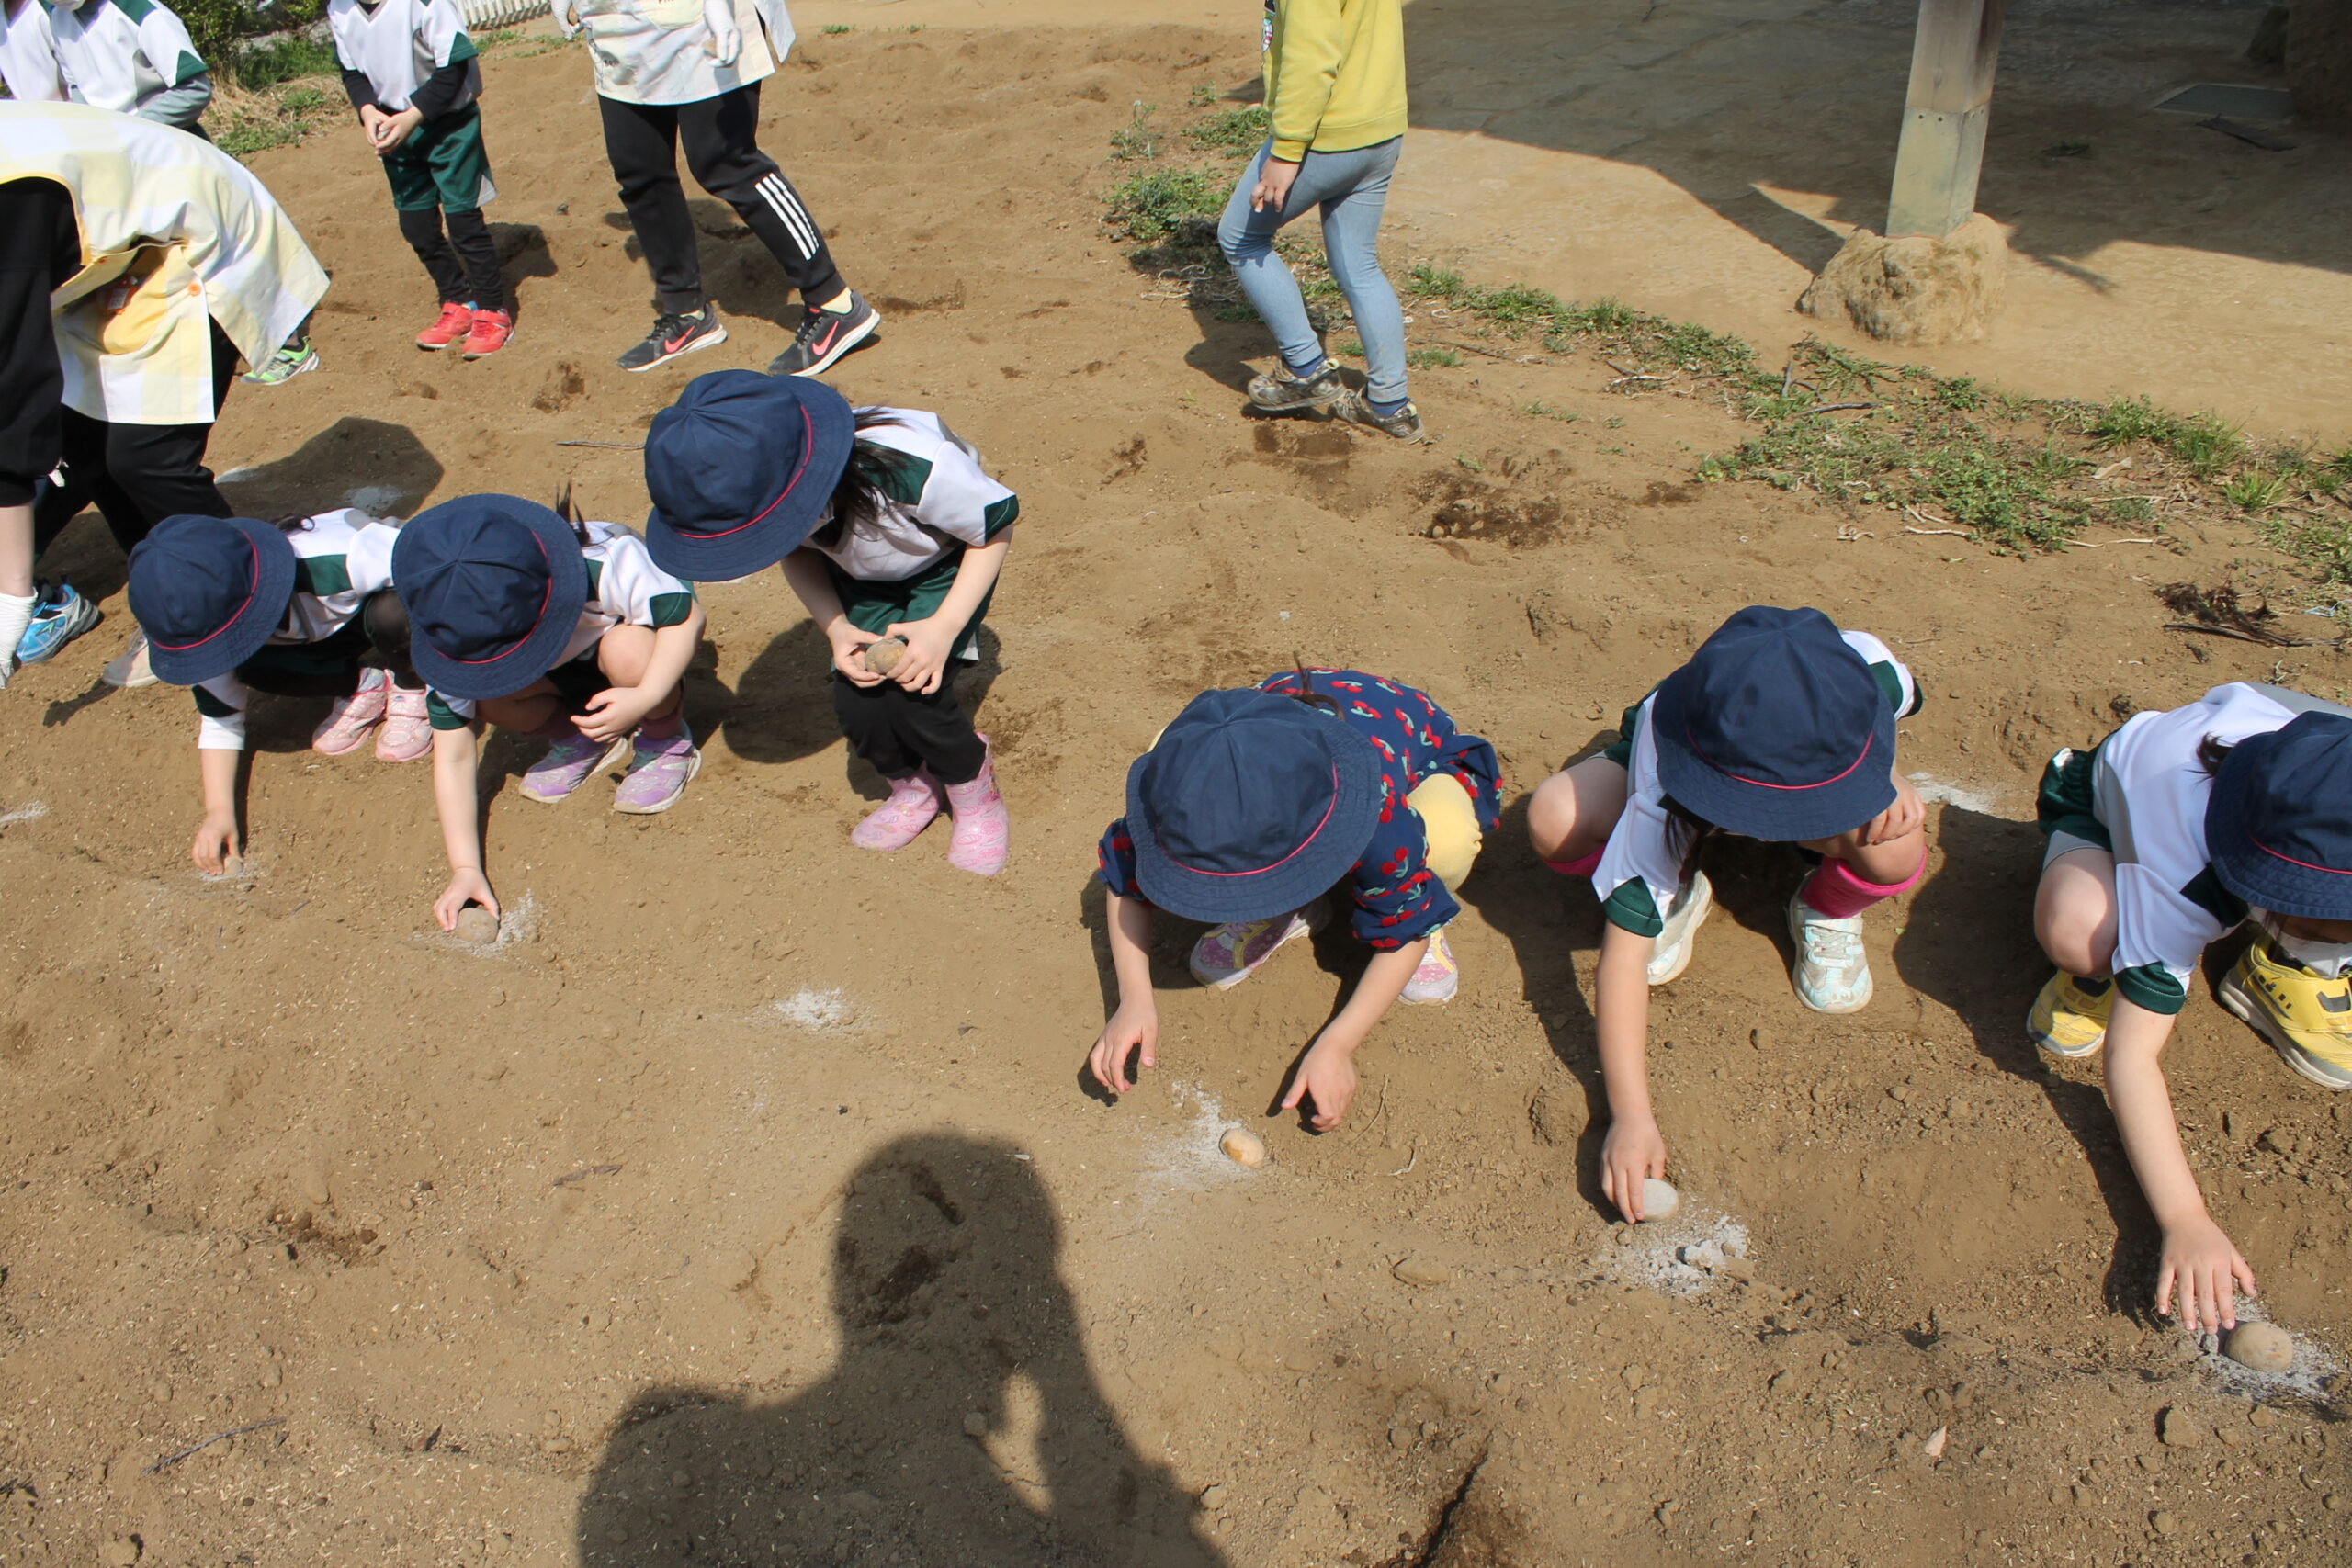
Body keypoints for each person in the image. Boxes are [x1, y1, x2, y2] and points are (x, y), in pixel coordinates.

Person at [1525, 606, 1928, 1223]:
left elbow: (1900, 710)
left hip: (1779, 768)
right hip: (1691, 771)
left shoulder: (1866, 675)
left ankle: (1825, 905)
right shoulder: (1664, 780)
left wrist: (1885, 779)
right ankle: (1675, 886)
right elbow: (1622, 962)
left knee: (1896, 843)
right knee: (1555, 818)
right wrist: (1630, 1115)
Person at [2028, 685, 2352, 1333]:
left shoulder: (2325, 752)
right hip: (2107, 812)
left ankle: (2284, 960)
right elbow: (2132, 1057)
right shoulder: (2181, 879)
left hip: (2251, 814)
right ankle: (2104, 974)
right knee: (2082, 933)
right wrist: (2185, 1218)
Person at [0, 102, 327, 687]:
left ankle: (267, 609)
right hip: (116, 254)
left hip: (196, 229)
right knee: (91, 449)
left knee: (148, 457)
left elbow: (16, 388)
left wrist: (9, 601)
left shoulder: (9, 196)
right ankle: (172, 597)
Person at [1087, 668, 1500, 1128]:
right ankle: (1290, 900)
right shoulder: (1179, 783)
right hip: (1265, 735)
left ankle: (1424, 906)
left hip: (1416, 757)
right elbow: (1125, 877)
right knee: (1168, 744)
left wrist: (1337, 1045)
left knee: (1442, 839)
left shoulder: (1379, 809)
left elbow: (1401, 938)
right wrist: (1134, 999)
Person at [641, 371, 1014, 874]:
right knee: (856, 698)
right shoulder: (763, 494)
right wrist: (835, 626)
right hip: (860, 576)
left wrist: (944, 626)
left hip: (947, 561)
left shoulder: (912, 467)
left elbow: (994, 525)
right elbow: (797, 553)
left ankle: (973, 787)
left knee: (918, 693)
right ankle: (912, 786)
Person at [393, 491, 705, 930]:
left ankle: (664, 737)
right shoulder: (453, 631)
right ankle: (584, 736)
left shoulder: (606, 560)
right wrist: (465, 868)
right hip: (554, 680)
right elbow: (454, 755)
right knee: (481, 697)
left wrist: (646, 696)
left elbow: (686, 618)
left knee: (629, 651)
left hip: (621, 660)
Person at [556, 0, 877, 376]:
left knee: (725, 161)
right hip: (618, 25)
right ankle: (686, 313)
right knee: (639, 170)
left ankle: (834, 301)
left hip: (702, 18)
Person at [124, 510, 431, 874]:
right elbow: (220, 720)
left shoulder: (342, 556)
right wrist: (219, 811)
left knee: (392, 612)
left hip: (378, 607)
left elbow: (437, 573)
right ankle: (361, 686)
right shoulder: (211, 619)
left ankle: (411, 685)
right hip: (320, 635)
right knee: (251, 666)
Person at [1217, 0, 1419, 441]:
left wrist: (1286, 151)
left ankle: (1304, 369)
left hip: (1326, 139)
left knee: (1241, 238)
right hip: (1379, 131)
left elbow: (1312, 59)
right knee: (1359, 264)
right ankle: (1389, 403)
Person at [327, 0, 509, 358]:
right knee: (417, 226)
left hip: (448, 123)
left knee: (463, 222)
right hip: (394, 129)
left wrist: (412, 117)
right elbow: (352, 73)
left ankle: (493, 310)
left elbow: (453, 67)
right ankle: (458, 301)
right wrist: (368, 111)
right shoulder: (339, 8)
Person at [47, 0, 212, 136]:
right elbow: (76, 87)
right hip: (113, 154)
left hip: (168, 146)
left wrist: (129, 130)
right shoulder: (57, 18)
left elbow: (194, 90)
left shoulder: (141, 11)